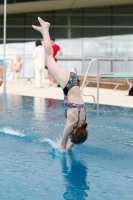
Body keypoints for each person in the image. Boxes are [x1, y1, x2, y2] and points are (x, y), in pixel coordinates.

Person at [32, 17, 88, 151]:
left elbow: (74, 140)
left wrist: (69, 147)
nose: (71, 137)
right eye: (72, 136)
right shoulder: (72, 124)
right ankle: (45, 28)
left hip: (73, 81)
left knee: (49, 59)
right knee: (49, 58)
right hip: (68, 83)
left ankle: (44, 32)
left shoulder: (82, 122)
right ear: (75, 132)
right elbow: (63, 143)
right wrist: (63, 152)